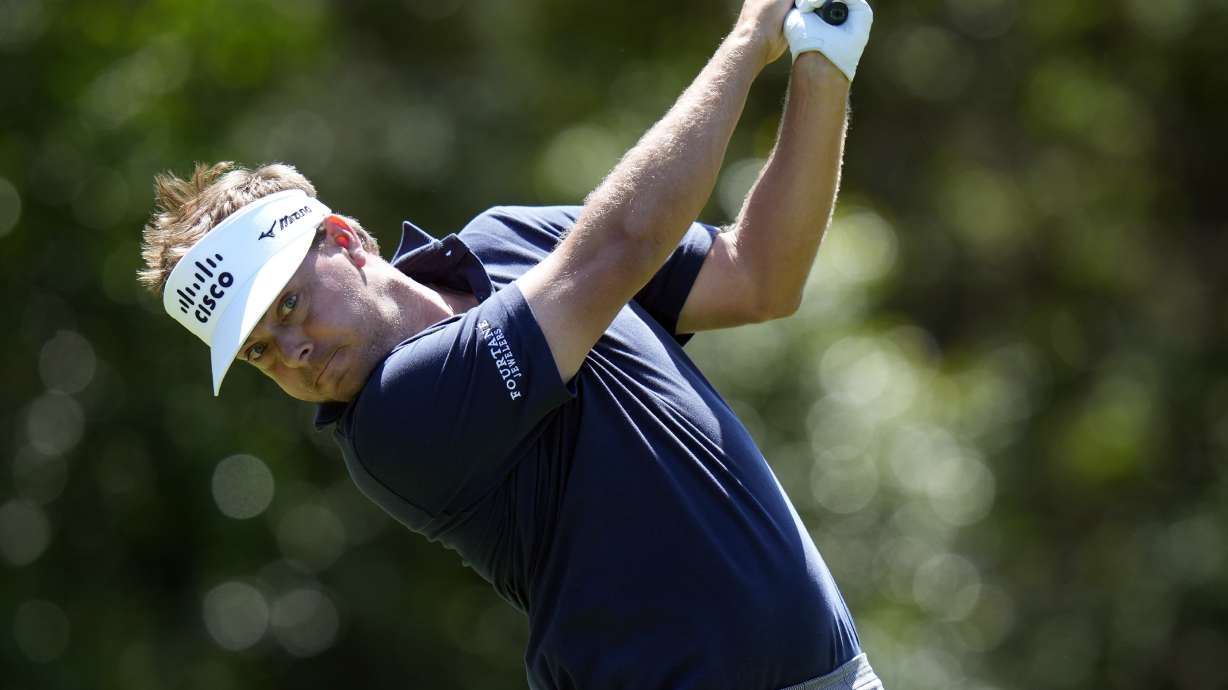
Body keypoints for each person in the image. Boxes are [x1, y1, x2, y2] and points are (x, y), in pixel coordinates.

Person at [137, 0, 878, 687]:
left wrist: (823, 61)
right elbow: (622, 242)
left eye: (289, 305)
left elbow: (758, 277)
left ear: (342, 236)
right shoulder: (397, 420)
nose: (291, 351)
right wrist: (752, 36)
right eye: (260, 352)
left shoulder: (513, 242)